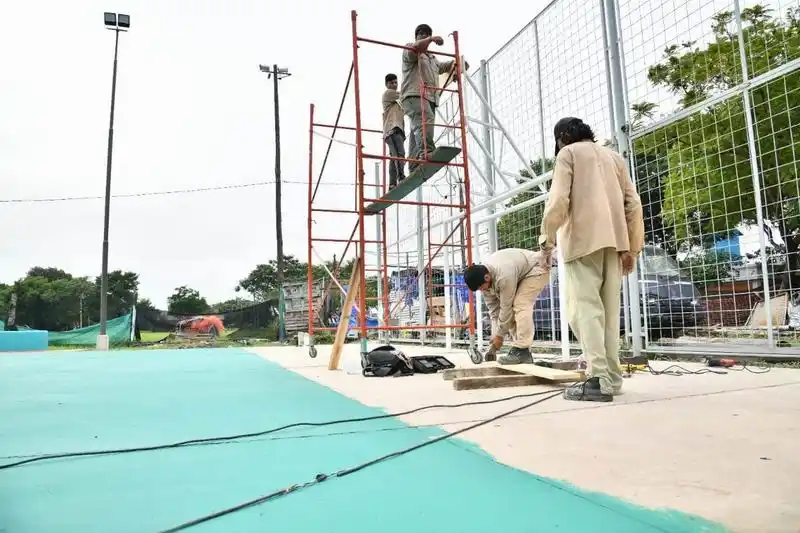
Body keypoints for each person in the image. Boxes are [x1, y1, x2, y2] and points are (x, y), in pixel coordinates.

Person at [538, 117, 645, 403]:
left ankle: (597, 378)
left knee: (584, 311)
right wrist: (632, 249)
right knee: (609, 315)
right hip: (615, 243)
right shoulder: (614, 158)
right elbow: (633, 204)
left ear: (562, 137)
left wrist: (546, 240)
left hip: (582, 242)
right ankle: (611, 377)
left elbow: (558, 200)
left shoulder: (568, 154)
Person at [463, 248, 552, 365]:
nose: (482, 291)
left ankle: (522, 349)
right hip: (520, 274)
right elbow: (495, 312)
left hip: (536, 268)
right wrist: (495, 338)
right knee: (508, 316)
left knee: (520, 304)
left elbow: (506, 309)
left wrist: (499, 336)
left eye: (481, 287)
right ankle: (521, 353)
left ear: (487, 277)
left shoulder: (503, 275)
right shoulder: (485, 283)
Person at [400, 24, 467, 172]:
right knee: (425, 120)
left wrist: (458, 67)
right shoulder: (410, 49)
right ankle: (427, 152)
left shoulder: (433, 60)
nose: (424, 36)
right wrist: (431, 39)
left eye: (427, 34)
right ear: (416, 37)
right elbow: (417, 48)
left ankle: (413, 162)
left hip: (429, 97)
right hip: (414, 94)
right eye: (421, 34)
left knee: (418, 128)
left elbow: (451, 64)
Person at [382, 73, 406, 189]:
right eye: (392, 83)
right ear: (387, 84)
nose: (394, 85)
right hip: (393, 129)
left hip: (395, 129)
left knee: (393, 157)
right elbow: (404, 95)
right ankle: (401, 177)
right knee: (399, 154)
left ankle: (392, 183)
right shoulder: (389, 94)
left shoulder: (397, 103)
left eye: (396, 82)